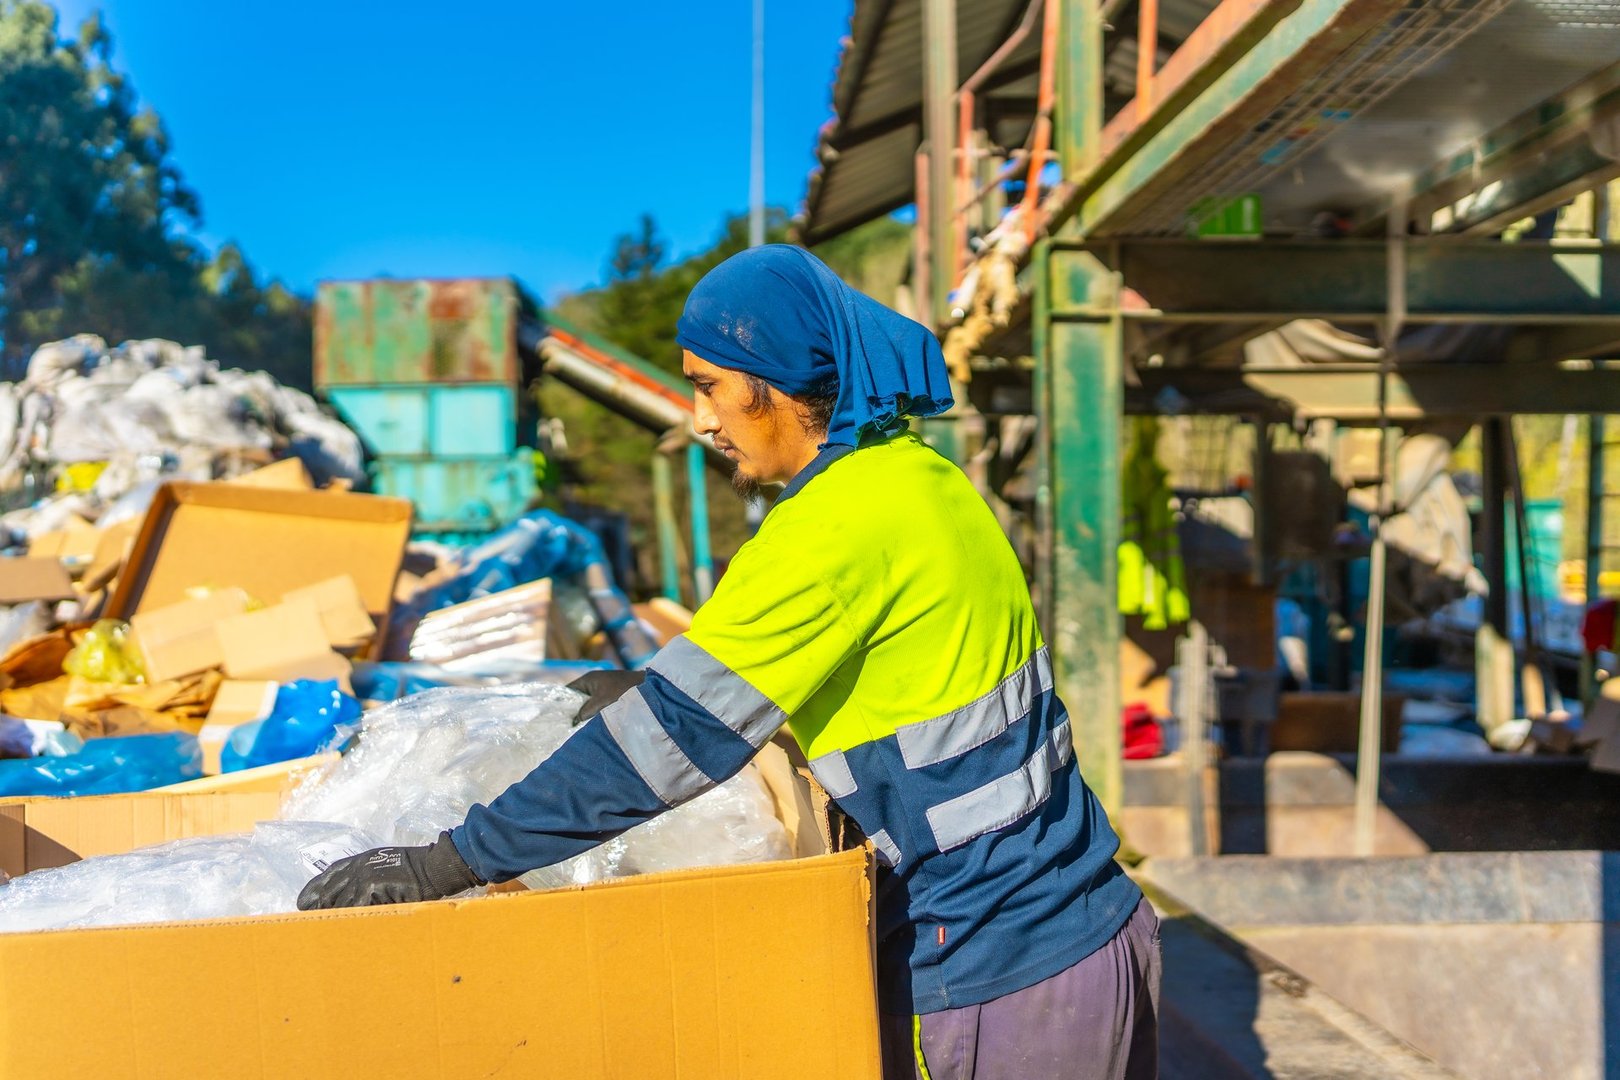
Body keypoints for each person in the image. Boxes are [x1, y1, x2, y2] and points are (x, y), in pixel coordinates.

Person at [298, 245, 1161, 1080]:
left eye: (711, 387)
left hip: (996, 979)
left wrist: (452, 861)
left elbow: (670, 744)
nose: (702, 419)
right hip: (1096, 933)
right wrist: (651, 687)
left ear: (778, 379)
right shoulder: (920, 479)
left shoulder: (828, 528)